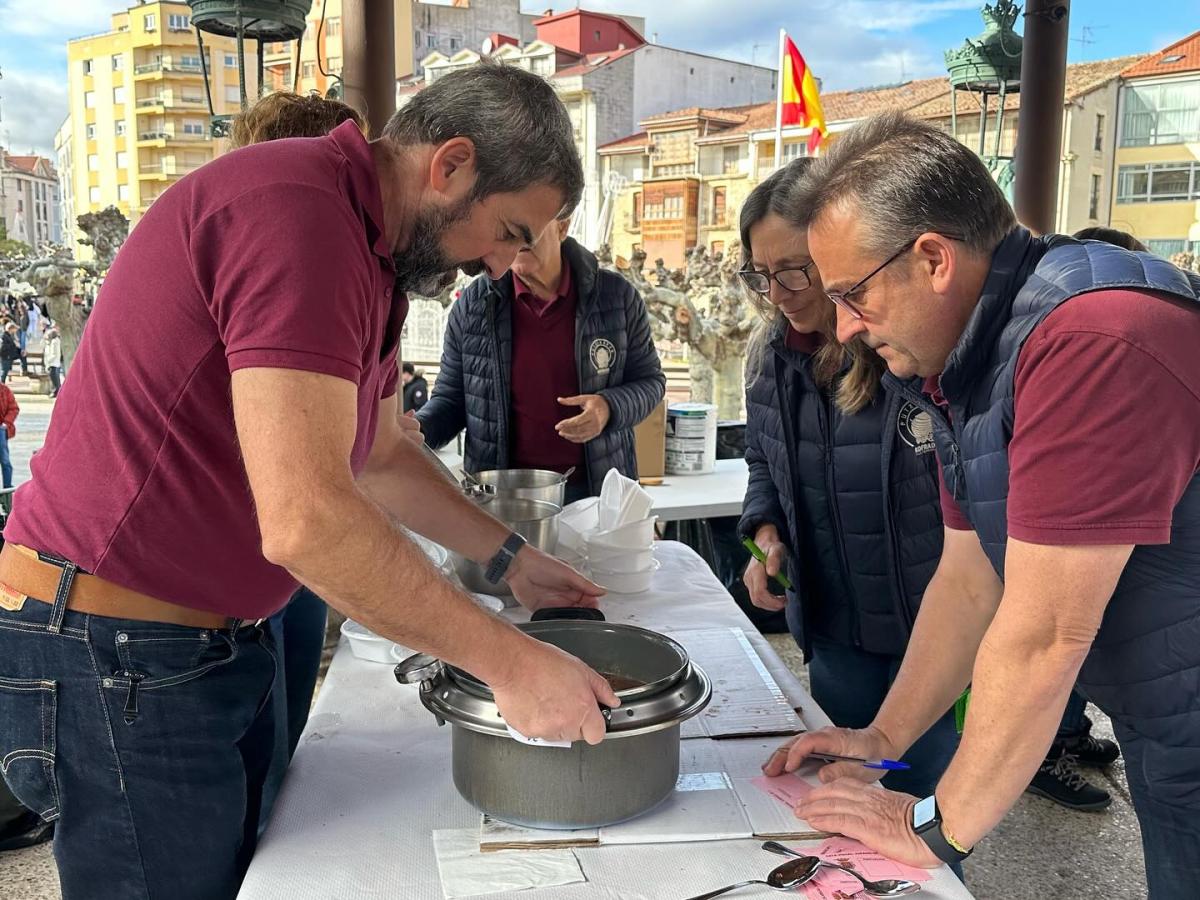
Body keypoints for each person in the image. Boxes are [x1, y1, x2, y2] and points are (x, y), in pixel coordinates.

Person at [0, 60, 623, 900]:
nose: (508, 266)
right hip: (115, 650)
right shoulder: (298, 214)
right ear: (451, 165)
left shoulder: (372, 251)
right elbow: (307, 520)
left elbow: (380, 455)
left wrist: (511, 556)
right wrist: (511, 666)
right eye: (512, 231)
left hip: (197, 645)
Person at [764, 111, 1200, 899]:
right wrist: (882, 738)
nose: (846, 329)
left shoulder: (1092, 335)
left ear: (932, 257)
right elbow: (969, 581)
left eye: (853, 295)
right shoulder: (966, 363)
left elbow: (1043, 633)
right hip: (1164, 705)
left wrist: (935, 824)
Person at [738, 160, 958, 809]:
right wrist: (766, 535)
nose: (778, 291)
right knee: (839, 807)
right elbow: (762, 460)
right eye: (762, 273)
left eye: (797, 269)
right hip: (835, 633)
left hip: (932, 641)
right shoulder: (769, 358)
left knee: (922, 817)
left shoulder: (909, 354)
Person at [225, 90, 372, 822]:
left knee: (286, 756)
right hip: (225, 592)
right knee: (259, 776)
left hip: (284, 577)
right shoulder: (287, 244)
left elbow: (387, 449)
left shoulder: (347, 275)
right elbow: (303, 516)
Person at [417, 213, 665, 503]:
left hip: (597, 494)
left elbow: (651, 382)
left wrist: (609, 408)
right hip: (501, 497)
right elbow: (451, 401)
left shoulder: (615, 297)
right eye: (506, 227)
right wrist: (415, 433)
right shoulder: (473, 307)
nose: (516, 238)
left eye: (529, 223)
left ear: (563, 225)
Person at [42, 326, 62, 398]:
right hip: (55, 363)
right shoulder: (54, 341)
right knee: (55, 379)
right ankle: (57, 391)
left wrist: (48, 361)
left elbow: (53, 354)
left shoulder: (54, 342)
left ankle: (56, 392)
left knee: (54, 379)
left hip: (53, 363)